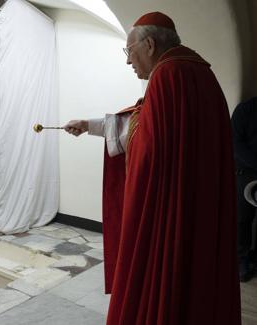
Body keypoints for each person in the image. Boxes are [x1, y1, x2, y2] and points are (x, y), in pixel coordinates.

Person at [64, 12, 241, 325]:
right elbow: (147, 127)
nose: (128, 61)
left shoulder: (167, 76)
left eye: (129, 52)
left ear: (148, 45)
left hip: (169, 209)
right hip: (199, 204)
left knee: (164, 281)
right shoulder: (202, 73)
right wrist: (90, 125)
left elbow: (147, 146)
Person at [232, 97, 257, 282]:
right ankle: (242, 259)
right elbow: (235, 143)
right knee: (242, 218)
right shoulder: (245, 109)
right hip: (246, 172)